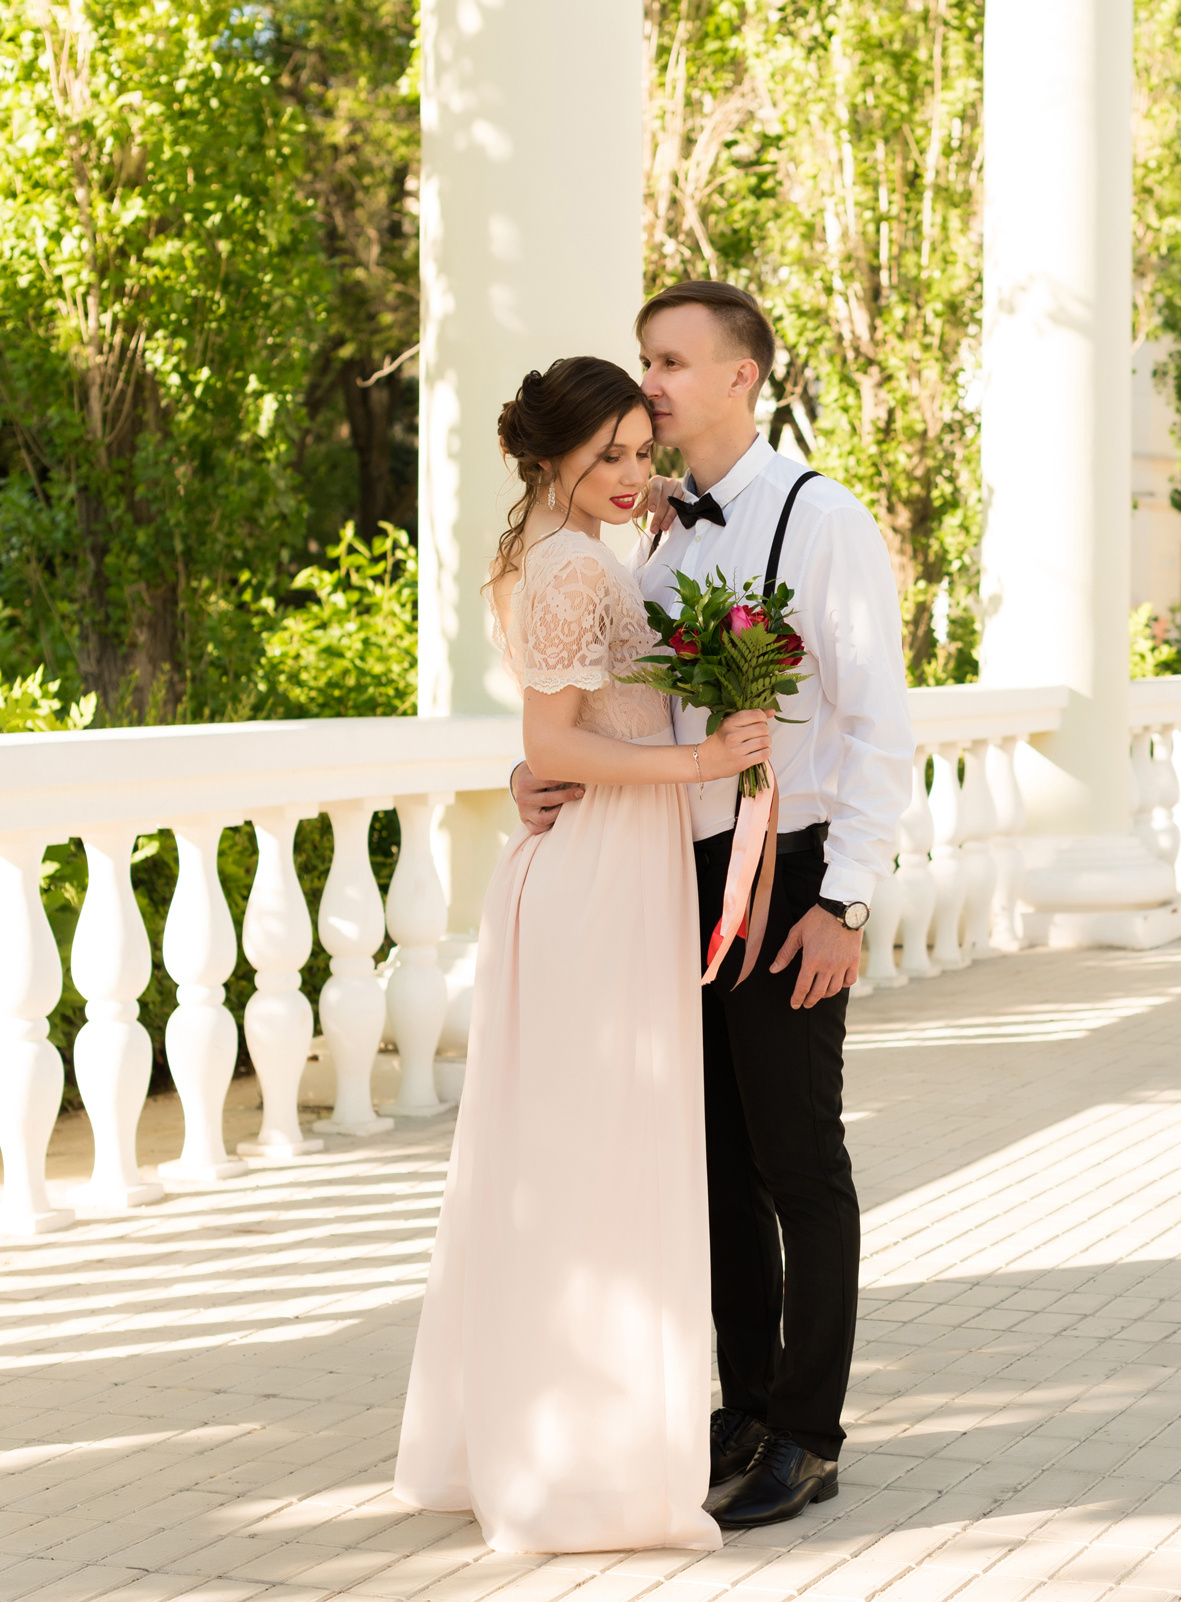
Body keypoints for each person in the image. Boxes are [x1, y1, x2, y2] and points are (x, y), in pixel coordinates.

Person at [511, 282, 913, 1529]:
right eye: (647, 362)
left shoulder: (821, 518)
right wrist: (536, 768)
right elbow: (609, 705)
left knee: (802, 1159)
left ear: (742, 377)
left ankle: (809, 1431)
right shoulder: (661, 533)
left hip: (786, 870)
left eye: (674, 362)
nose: (655, 386)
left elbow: (880, 725)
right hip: (675, 875)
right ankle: (744, 1405)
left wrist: (842, 900)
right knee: (720, 1160)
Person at [395, 357, 775, 1553]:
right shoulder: (563, 569)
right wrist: (700, 764)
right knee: (592, 1161)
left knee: (582, 1159)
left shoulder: (568, 553)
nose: (633, 472)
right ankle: (574, 1466)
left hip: (612, 866)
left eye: (639, 449)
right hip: (601, 872)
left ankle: (558, 1439)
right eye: (606, 453)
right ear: (551, 457)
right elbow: (558, 736)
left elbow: (574, 728)